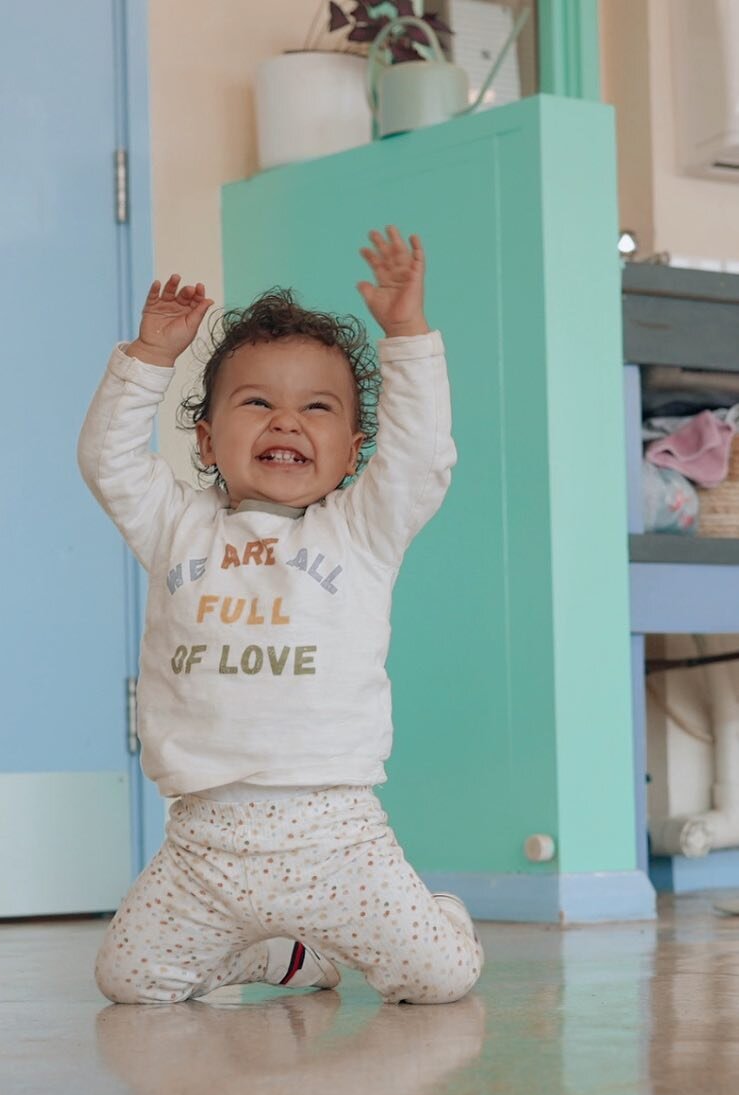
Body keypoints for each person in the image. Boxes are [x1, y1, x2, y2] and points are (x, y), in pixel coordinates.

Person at [78, 225, 484, 1005]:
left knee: (438, 978)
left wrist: (405, 335)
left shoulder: (361, 529)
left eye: (316, 407)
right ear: (204, 436)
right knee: (128, 981)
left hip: (338, 838)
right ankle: (286, 959)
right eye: (257, 401)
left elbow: (420, 456)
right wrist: (149, 358)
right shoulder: (175, 526)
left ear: (354, 447)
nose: (286, 421)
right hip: (201, 839)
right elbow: (108, 460)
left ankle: (437, 915)